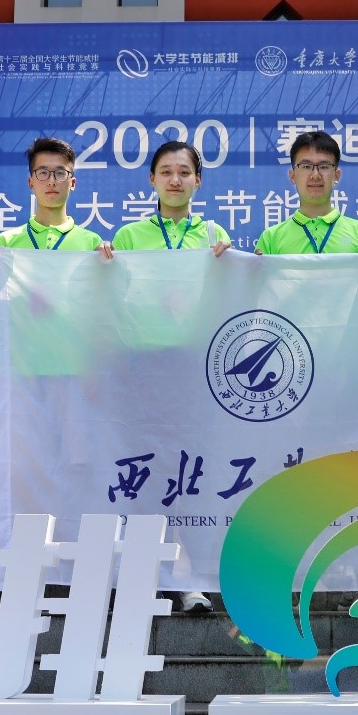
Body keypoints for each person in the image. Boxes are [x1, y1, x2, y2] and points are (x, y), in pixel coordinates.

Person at [109, 140, 230, 615]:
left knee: (190, 476)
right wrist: (102, 265)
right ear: (152, 180)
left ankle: (188, 578)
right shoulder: (129, 236)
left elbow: (233, 298)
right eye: (166, 172)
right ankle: (149, 576)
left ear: (198, 180)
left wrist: (232, 265)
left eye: (184, 172)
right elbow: (107, 301)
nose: (175, 180)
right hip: (142, 371)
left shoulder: (215, 235)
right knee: (147, 474)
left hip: (198, 373)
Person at [0, 137, 111, 322]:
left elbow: (102, 312)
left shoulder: (92, 243)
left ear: (72, 183)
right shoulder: (6, 243)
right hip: (23, 342)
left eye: (60, 173)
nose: (51, 181)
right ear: (31, 182)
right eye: (43, 173)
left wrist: (109, 265)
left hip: (72, 341)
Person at [255, 130, 358, 255]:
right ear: (292, 176)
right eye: (306, 166)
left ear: (336, 175)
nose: (315, 175)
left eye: (324, 166)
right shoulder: (271, 238)